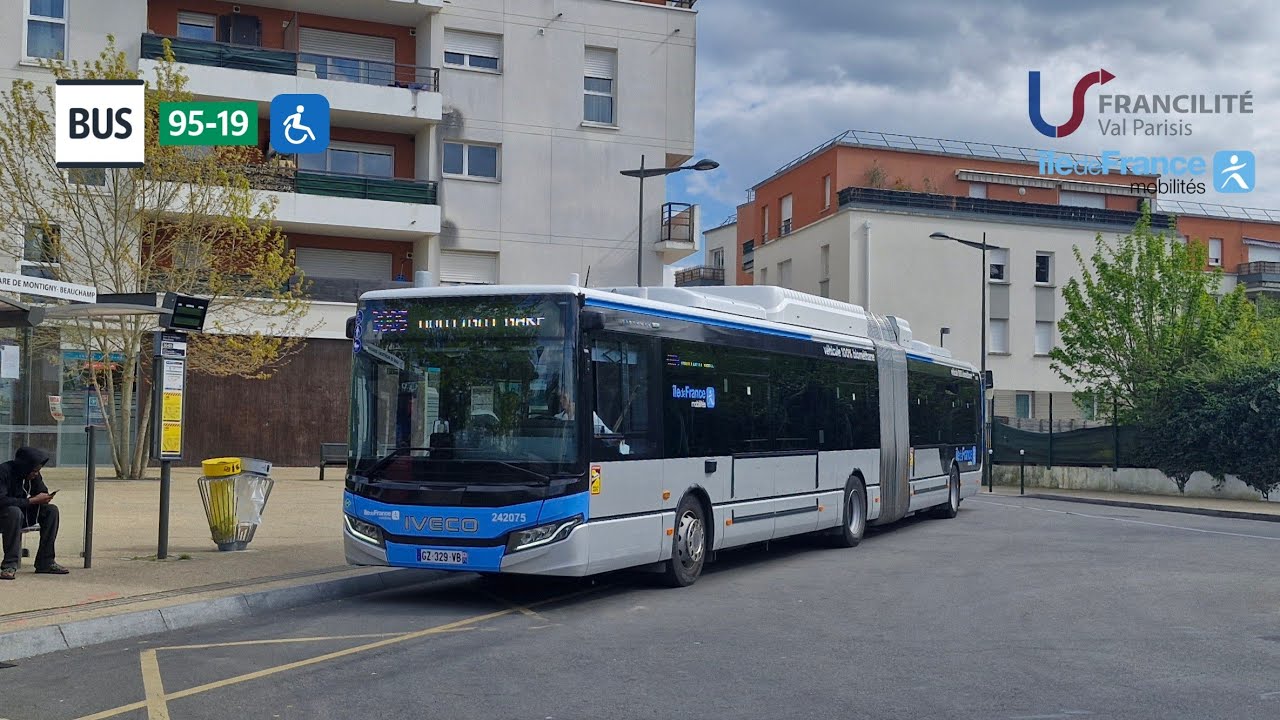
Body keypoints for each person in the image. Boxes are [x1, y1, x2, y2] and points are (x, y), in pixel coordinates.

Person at [0, 447, 68, 580]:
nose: (36, 474)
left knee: (51, 511)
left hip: (22, 514)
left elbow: (41, 491)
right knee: (14, 512)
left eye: (38, 471)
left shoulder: (32, 475)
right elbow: (2, 500)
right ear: (25, 467)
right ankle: (9, 565)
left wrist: (44, 497)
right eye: (34, 471)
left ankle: (45, 561)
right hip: (4, 516)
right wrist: (31, 500)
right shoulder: (3, 472)